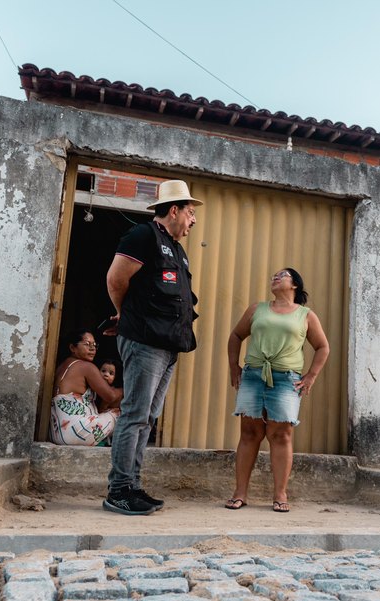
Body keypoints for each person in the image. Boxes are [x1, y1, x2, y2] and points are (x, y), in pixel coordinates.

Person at [102, 179, 202, 515]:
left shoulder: (176, 249)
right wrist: (123, 314)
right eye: (190, 213)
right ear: (173, 210)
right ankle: (118, 491)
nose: (193, 220)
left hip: (168, 345)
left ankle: (133, 486)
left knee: (147, 418)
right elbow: (116, 280)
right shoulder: (142, 236)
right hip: (144, 341)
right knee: (134, 415)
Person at [225, 267, 330, 513]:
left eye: (282, 275)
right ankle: (240, 492)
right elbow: (236, 336)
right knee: (249, 433)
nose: (275, 276)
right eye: (273, 274)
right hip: (253, 375)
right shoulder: (257, 309)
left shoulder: (306, 315)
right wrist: (234, 367)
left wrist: (311, 377)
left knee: (281, 435)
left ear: (295, 285)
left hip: (286, 380)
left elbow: (323, 347)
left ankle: (280, 493)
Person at [50, 330, 123, 447]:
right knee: (122, 414)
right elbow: (110, 396)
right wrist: (127, 389)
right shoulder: (86, 366)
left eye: (94, 345)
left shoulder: (61, 367)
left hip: (58, 436)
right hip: (79, 433)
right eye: (87, 344)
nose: (92, 348)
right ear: (72, 348)